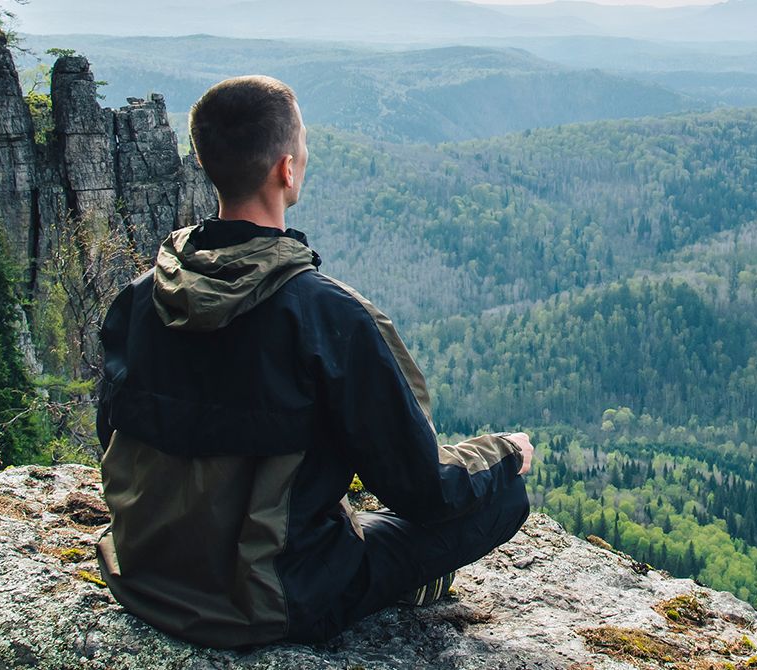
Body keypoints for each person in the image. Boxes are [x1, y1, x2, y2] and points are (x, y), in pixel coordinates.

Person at [92, 75, 534, 648]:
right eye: (302, 143)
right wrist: (504, 453)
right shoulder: (327, 317)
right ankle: (403, 582)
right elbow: (424, 488)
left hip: (143, 575)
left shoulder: (139, 298)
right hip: (271, 600)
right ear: (286, 169)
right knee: (502, 496)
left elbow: (113, 438)